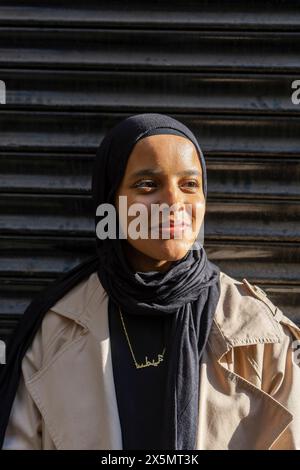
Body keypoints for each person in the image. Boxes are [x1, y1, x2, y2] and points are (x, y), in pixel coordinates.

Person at [0, 113, 299, 450]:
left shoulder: (257, 331)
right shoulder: (57, 330)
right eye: (147, 184)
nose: (173, 203)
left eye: (189, 184)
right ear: (110, 199)